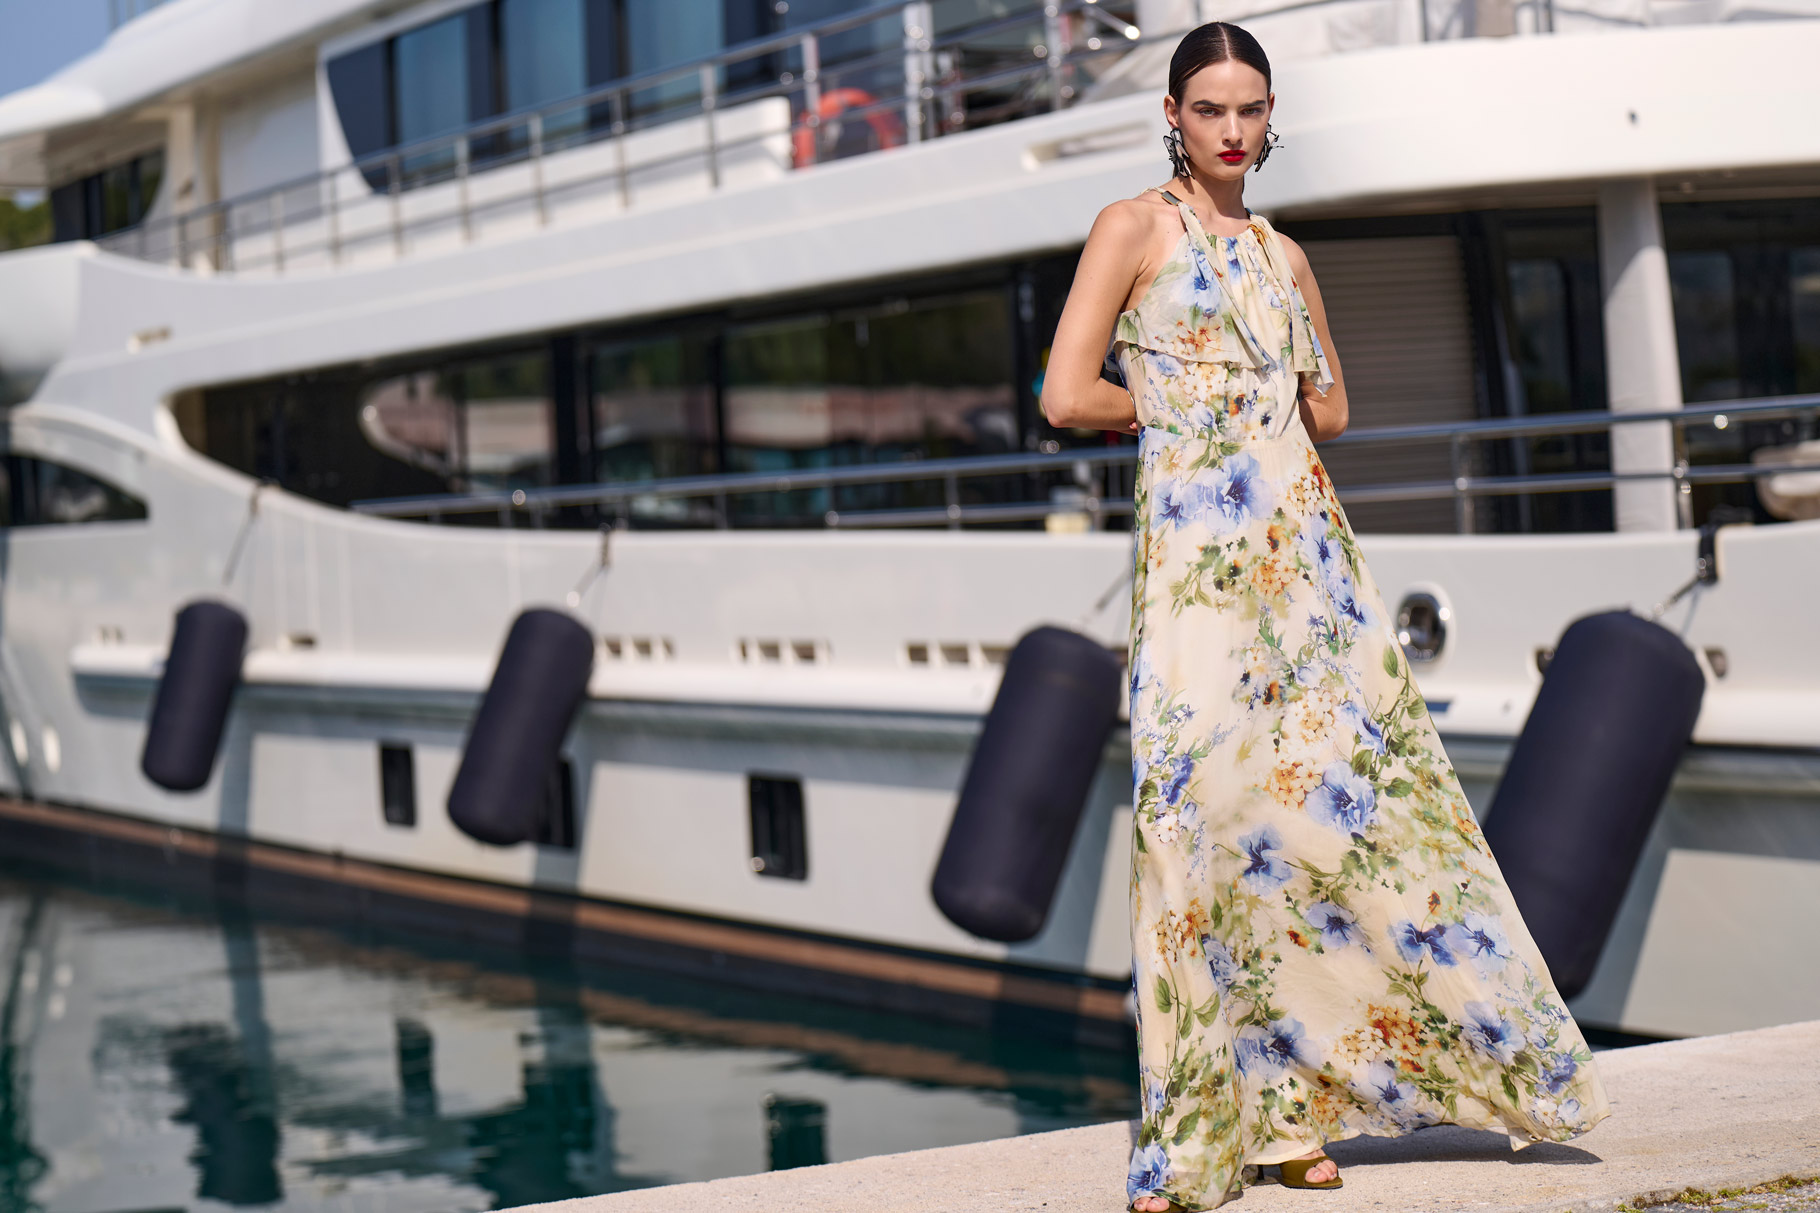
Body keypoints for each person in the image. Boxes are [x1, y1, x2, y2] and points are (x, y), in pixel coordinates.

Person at [1038, 21, 1613, 1213]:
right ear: (1171, 116)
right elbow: (1062, 391)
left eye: (1249, 109)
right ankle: (1196, 1135)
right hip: (1197, 567)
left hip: (1303, 562)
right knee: (1191, 819)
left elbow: (1333, 411)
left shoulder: (1283, 254)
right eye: (1208, 109)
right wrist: (1176, 404)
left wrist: (1266, 390)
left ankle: (1295, 1113)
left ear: (1269, 117)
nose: (1231, 131)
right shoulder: (1130, 228)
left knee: (1319, 821)